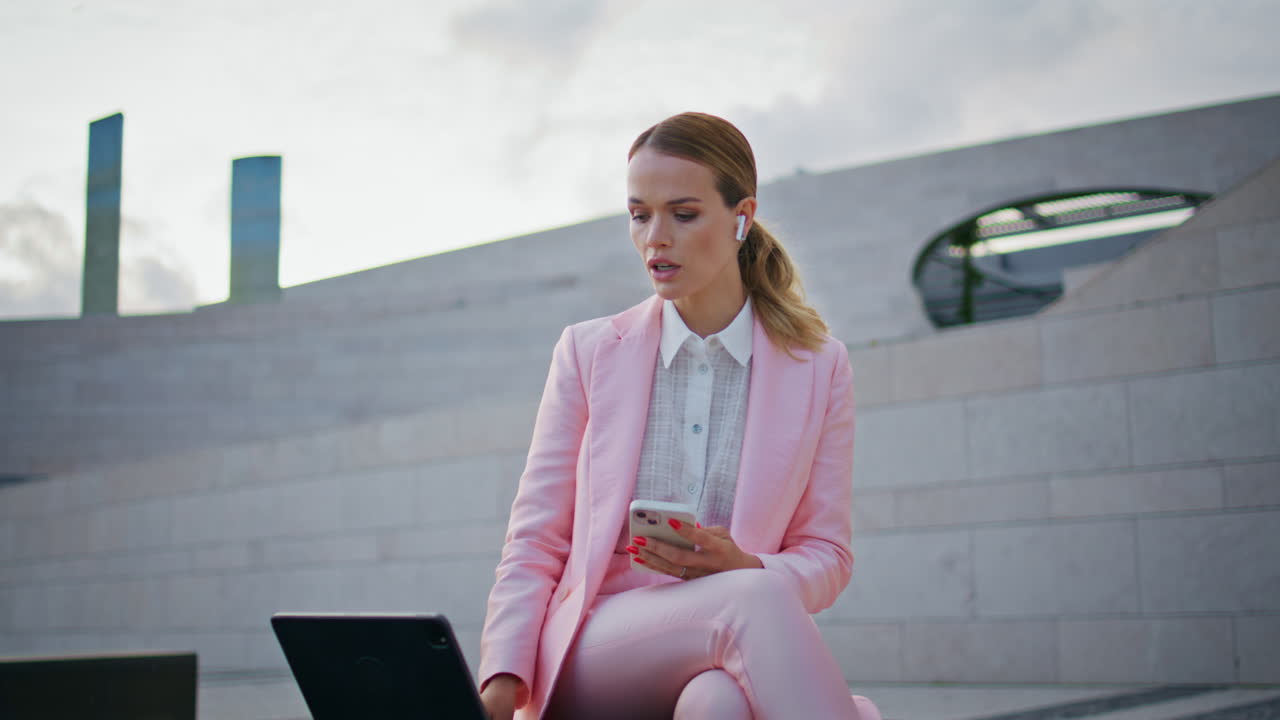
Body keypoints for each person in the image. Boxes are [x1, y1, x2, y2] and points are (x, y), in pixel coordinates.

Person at [477, 112, 880, 720]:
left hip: (727, 645)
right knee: (748, 599)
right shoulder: (587, 352)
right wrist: (502, 683)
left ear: (742, 217)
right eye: (640, 215)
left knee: (719, 703)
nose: (655, 238)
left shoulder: (819, 367)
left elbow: (827, 554)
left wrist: (746, 565)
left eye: (683, 214)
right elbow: (536, 538)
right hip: (596, 645)